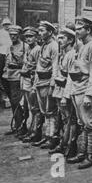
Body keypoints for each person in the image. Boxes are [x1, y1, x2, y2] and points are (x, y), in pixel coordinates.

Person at [66, 17, 92, 169]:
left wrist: (90, 94)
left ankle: (91, 156)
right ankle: (83, 153)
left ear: (88, 30)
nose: (76, 31)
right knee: (82, 123)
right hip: (77, 88)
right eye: (75, 29)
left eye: (80, 29)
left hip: (85, 88)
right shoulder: (82, 46)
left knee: (90, 123)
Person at [49, 27, 78, 158]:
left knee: (70, 120)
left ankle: (69, 146)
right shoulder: (63, 54)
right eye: (59, 38)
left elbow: (71, 78)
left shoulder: (72, 54)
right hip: (59, 89)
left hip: (67, 91)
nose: (59, 40)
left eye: (63, 38)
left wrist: (66, 97)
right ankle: (63, 143)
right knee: (64, 119)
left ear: (71, 40)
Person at [31, 21, 59, 149]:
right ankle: (47, 136)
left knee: (51, 112)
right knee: (44, 111)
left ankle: (52, 138)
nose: (40, 33)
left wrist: (52, 86)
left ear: (50, 32)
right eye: (39, 31)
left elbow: (55, 66)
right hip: (40, 83)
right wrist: (35, 84)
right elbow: (39, 66)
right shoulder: (43, 45)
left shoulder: (54, 46)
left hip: (48, 83)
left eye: (43, 31)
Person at [2, 25, 28, 135]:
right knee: (13, 103)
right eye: (11, 34)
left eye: (15, 34)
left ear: (19, 35)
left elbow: (27, 63)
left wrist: (17, 65)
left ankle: (22, 127)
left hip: (17, 77)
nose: (12, 36)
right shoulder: (8, 46)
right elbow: (6, 61)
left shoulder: (25, 46)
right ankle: (17, 126)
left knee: (17, 102)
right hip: (7, 77)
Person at [17, 27, 41, 141]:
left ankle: (35, 132)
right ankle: (29, 130)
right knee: (27, 107)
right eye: (26, 37)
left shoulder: (37, 49)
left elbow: (38, 68)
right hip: (25, 81)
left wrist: (34, 85)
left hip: (32, 81)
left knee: (35, 108)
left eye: (31, 36)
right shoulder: (28, 49)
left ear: (36, 37)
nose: (28, 39)